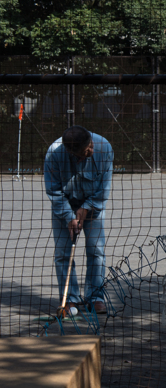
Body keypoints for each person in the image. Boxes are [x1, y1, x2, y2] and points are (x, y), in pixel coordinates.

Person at [44, 126, 114, 315]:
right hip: (64, 206)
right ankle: (70, 299)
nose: (90, 150)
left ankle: (96, 297)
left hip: (93, 206)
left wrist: (85, 209)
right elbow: (53, 191)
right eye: (85, 151)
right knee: (63, 253)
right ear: (71, 152)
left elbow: (104, 188)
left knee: (96, 250)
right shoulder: (54, 154)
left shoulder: (104, 147)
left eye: (90, 146)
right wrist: (69, 217)